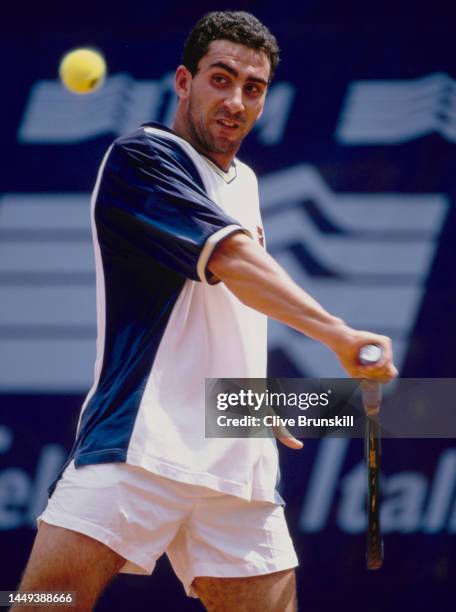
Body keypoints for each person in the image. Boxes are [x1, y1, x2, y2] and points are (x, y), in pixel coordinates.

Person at [13, 10, 397, 612]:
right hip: (141, 442)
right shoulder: (142, 159)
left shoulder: (243, 180)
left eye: (254, 88)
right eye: (221, 79)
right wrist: (337, 335)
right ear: (184, 81)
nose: (236, 102)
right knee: (41, 605)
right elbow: (236, 265)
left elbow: (226, 307)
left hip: (233, 451)